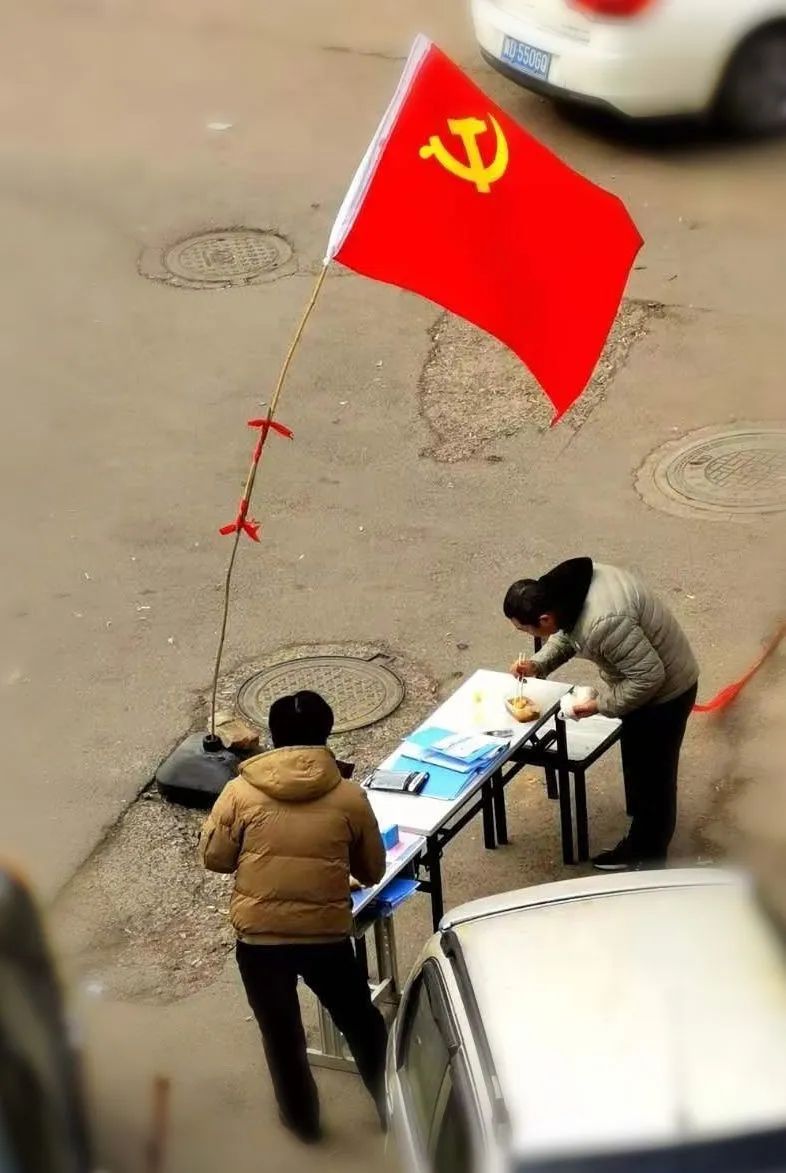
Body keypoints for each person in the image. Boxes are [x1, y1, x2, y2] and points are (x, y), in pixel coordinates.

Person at [199, 689, 388, 1143]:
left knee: (280, 1034)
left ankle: (303, 1123)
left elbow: (216, 858)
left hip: (260, 942)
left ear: (273, 735)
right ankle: (394, 1108)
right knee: (361, 1023)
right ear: (326, 734)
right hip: (326, 937)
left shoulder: (238, 792)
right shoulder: (349, 796)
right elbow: (372, 869)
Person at [503, 557, 698, 871]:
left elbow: (648, 678)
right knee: (638, 763)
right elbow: (569, 634)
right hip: (645, 682)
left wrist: (600, 705)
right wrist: (538, 664)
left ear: (544, 617)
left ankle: (647, 857)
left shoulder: (604, 622)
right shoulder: (568, 592)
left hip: (666, 695)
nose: (526, 634)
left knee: (655, 778)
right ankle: (642, 829)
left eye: (526, 629)